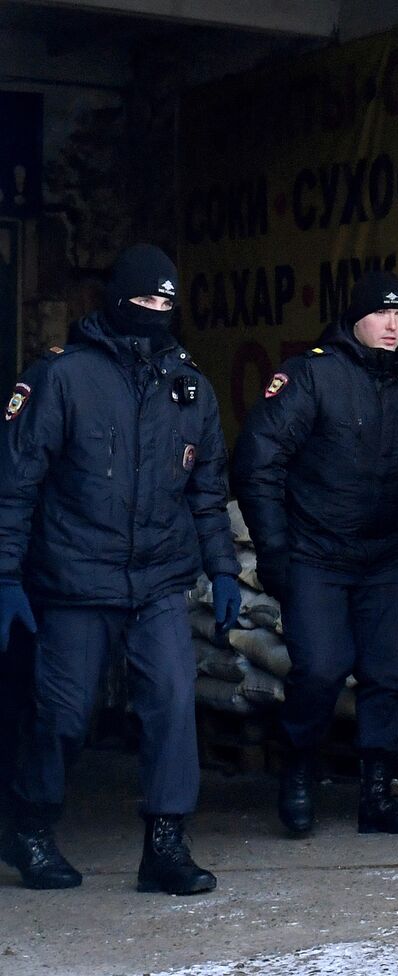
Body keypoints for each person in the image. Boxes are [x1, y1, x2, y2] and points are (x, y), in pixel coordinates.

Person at [0, 244, 240, 894]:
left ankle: (165, 843)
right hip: (76, 579)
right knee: (64, 715)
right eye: (145, 301)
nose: (156, 312)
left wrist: (222, 571)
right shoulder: (63, 379)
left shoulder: (190, 387)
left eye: (167, 303)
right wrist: (4, 578)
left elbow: (207, 493)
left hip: (159, 579)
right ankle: (29, 826)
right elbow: (16, 484)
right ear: (116, 300)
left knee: (171, 700)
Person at [232, 271, 398, 837]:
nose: (392, 325)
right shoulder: (311, 376)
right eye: (380, 314)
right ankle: (297, 773)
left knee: (390, 676)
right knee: (320, 669)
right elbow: (257, 464)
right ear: (355, 318)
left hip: (382, 559)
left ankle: (377, 795)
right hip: (315, 556)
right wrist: (273, 550)